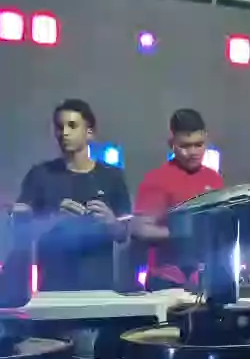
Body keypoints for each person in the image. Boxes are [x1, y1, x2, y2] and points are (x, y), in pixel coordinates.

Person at [14, 98, 131, 291]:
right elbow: (20, 229)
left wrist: (111, 222)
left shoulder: (111, 177)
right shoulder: (41, 175)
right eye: (59, 127)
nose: (64, 133)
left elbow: (124, 234)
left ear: (89, 132)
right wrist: (53, 219)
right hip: (54, 286)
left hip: (101, 286)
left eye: (72, 126)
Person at [133, 108, 223, 290]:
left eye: (198, 144)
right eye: (185, 146)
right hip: (166, 281)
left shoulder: (214, 178)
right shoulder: (157, 179)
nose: (193, 152)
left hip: (206, 278)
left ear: (206, 140)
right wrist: (181, 234)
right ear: (172, 144)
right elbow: (139, 229)